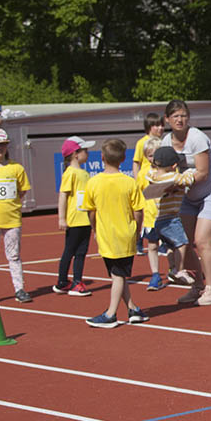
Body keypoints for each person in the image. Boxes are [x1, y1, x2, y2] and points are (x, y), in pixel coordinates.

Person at [161, 99, 211, 306]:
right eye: (175, 116)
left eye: (183, 115)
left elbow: (202, 173)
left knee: (202, 241)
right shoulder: (166, 142)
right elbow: (165, 170)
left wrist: (176, 181)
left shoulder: (197, 138)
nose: (180, 119)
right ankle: (198, 286)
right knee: (184, 241)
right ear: (167, 119)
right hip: (188, 195)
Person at [81, 138, 148, 328]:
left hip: (106, 234)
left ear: (102, 157)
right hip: (125, 233)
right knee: (118, 273)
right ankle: (133, 309)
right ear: (124, 158)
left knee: (117, 274)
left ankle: (111, 314)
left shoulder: (93, 183)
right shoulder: (129, 183)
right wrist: (137, 229)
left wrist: (94, 229)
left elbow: (91, 212)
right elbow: (138, 211)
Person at [139, 139, 192, 290]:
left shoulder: (152, 175)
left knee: (170, 245)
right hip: (171, 218)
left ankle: (172, 269)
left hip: (159, 218)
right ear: (174, 165)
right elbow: (188, 180)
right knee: (182, 243)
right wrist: (189, 172)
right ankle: (179, 270)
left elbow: (150, 174)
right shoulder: (174, 177)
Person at [52, 135, 96, 296]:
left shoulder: (84, 173)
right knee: (69, 251)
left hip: (85, 219)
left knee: (81, 252)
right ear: (75, 154)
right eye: (85, 150)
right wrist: (61, 218)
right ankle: (63, 281)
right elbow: (63, 195)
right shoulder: (70, 173)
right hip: (74, 220)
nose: (88, 153)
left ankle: (77, 280)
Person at [0, 127, 32, 303]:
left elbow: (23, 190)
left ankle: (19, 289)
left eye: (2, 145)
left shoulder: (16, 168)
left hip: (12, 220)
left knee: (14, 256)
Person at [131, 112, 164, 254]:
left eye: (162, 125)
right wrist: (136, 178)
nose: (160, 128)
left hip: (158, 177)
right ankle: (138, 241)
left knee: (158, 209)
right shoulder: (142, 142)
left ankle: (162, 241)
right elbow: (136, 162)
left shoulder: (163, 142)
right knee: (142, 211)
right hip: (145, 178)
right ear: (149, 127)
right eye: (157, 125)